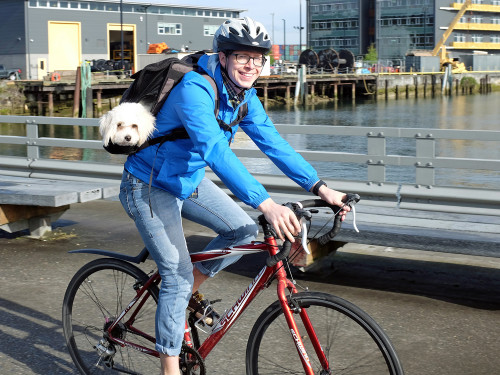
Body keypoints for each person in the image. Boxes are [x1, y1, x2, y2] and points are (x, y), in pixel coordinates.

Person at [119, 17, 350, 375]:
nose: (252, 65)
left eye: (258, 59)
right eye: (243, 56)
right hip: (148, 184)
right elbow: (214, 149)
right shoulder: (194, 88)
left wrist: (319, 187)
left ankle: (183, 296)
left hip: (187, 179)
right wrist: (265, 203)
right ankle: (169, 367)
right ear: (223, 57)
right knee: (176, 274)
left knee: (241, 231)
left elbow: (274, 144)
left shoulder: (244, 97)